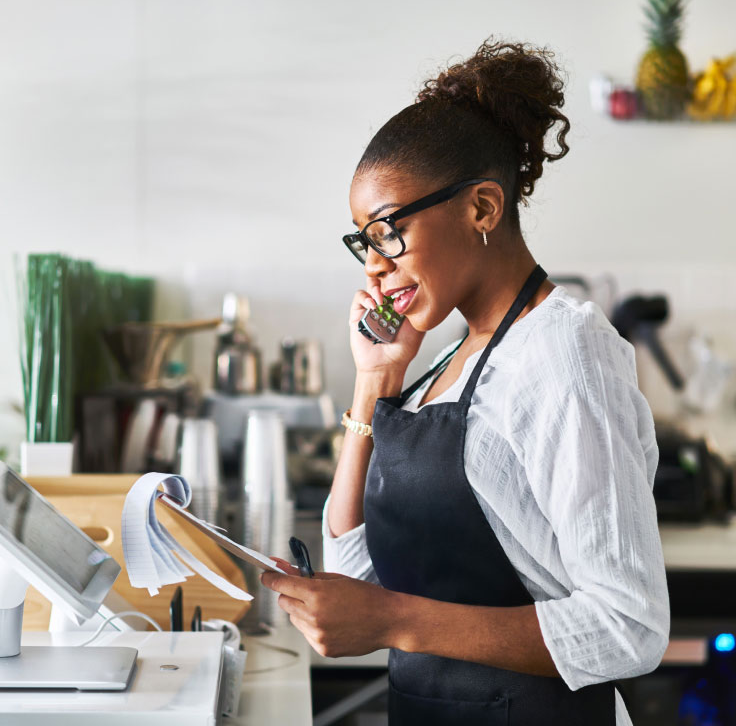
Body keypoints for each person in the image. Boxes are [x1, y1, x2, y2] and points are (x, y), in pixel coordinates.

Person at [261, 38, 670, 725]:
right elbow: (356, 570)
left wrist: (396, 620)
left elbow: (630, 625)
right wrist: (375, 381)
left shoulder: (566, 354)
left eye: (388, 232)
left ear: (481, 208)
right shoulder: (444, 360)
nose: (374, 266)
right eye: (364, 241)